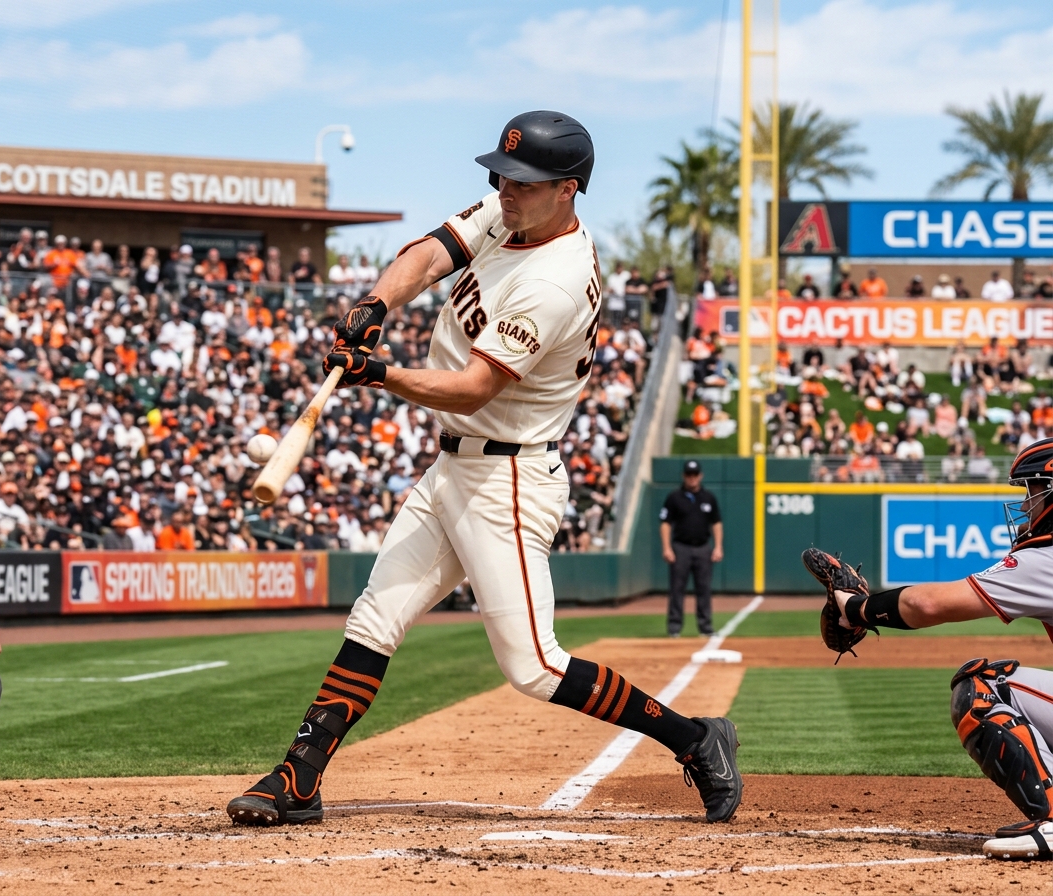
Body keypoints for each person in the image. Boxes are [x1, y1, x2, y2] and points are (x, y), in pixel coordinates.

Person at [224, 110, 742, 830]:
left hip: (511, 479)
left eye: (524, 182)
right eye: (501, 174)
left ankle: (695, 740)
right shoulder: (510, 214)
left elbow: (474, 386)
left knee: (533, 666)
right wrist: (376, 302)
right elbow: (433, 252)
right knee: (376, 617)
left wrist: (379, 372)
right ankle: (298, 777)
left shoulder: (555, 280)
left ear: (568, 190)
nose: (505, 189)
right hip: (454, 465)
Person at [810, 438, 1053, 860]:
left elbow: (929, 604)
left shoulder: (1046, 558)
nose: (1027, 504)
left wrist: (857, 609)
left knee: (982, 686)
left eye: (1034, 491)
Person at [660, 459, 723, 637]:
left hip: (703, 548)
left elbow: (716, 523)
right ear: (684, 476)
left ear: (700, 476)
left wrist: (718, 547)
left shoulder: (708, 497)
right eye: (689, 474)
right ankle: (674, 627)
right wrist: (667, 548)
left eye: (695, 474)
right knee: (677, 589)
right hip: (681, 548)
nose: (692, 478)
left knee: (704, 589)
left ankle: (705, 627)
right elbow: (665, 523)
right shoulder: (674, 497)